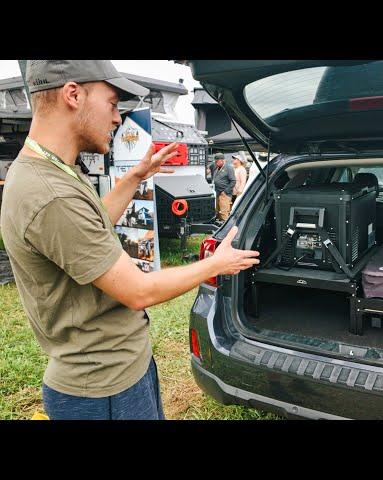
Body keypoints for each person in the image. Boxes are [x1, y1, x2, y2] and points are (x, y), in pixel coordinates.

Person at [0, 60, 259, 420]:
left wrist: (135, 176)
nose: (117, 118)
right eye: (111, 103)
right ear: (72, 94)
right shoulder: (50, 193)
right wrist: (216, 264)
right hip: (102, 388)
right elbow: (139, 291)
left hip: (115, 373)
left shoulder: (48, 171)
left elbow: (91, 229)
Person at [210, 152, 236, 221]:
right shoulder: (216, 167)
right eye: (215, 161)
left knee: (224, 213)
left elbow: (233, 181)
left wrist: (225, 191)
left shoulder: (229, 168)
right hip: (217, 193)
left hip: (225, 194)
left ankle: (227, 229)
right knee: (217, 213)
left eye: (217, 161)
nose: (215, 163)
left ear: (222, 160)